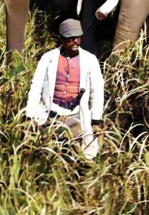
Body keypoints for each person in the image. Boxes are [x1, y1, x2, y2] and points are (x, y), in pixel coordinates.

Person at [25, 18, 105, 159]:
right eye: (70, 39)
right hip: (50, 114)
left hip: (76, 114)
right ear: (61, 39)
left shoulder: (90, 60)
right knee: (44, 153)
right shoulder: (48, 58)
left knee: (82, 156)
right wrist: (29, 116)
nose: (74, 42)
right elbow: (36, 86)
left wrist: (96, 120)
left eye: (77, 38)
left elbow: (97, 91)